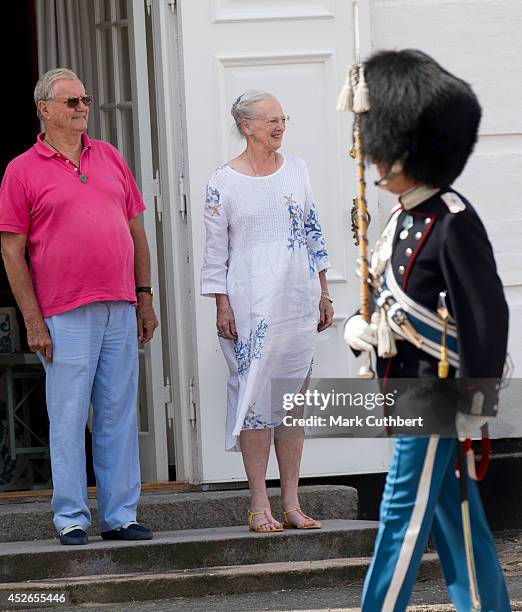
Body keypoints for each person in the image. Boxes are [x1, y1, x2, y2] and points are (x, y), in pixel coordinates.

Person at [343, 50, 510, 610]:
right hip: (405, 391)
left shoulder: (453, 221)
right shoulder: (399, 219)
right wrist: (357, 328)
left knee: (399, 521)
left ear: (408, 147)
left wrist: (477, 401)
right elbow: (384, 300)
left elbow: (487, 316)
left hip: (438, 398)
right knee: (459, 521)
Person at [0, 68, 158, 545]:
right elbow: (11, 250)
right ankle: (71, 517)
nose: (82, 107)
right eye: (70, 102)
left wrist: (144, 296)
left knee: (117, 413)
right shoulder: (21, 169)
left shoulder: (108, 155)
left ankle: (120, 515)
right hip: (64, 311)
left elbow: (135, 231)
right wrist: (33, 320)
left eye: (85, 99)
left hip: (119, 304)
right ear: (44, 109)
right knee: (68, 416)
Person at [201, 90, 334, 532]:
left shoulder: (297, 170)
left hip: (296, 301)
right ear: (246, 126)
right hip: (249, 304)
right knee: (256, 399)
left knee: (291, 402)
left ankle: (292, 502)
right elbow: (215, 252)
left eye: (283, 119)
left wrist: (324, 291)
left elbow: (313, 232)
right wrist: (222, 305)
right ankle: (260, 504)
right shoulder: (222, 182)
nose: (279, 127)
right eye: (270, 120)